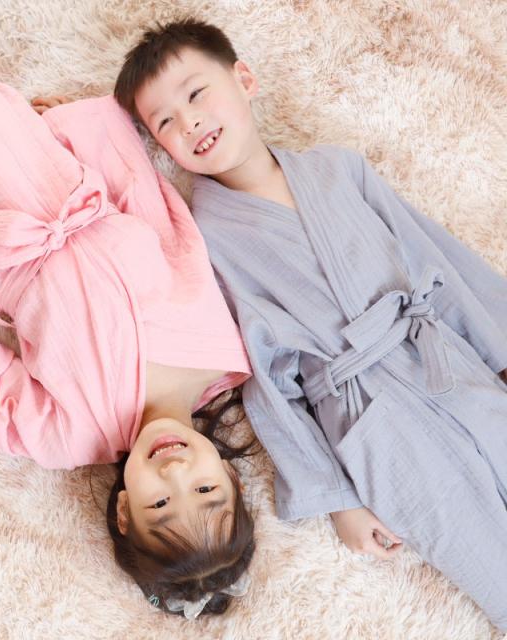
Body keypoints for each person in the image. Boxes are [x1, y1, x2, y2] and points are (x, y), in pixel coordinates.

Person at [109, 18, 507, 630]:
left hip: (441, 355)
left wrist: (498, 350)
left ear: (244, 79)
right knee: (480, 551)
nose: (189, 122)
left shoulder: (340, 169)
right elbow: (265, 382)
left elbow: (435, 255)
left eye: (197, 93)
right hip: (366, 415)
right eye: (165, 122)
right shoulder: (205, 238)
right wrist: (337, 498)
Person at [0, 26, 257, 619]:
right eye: (205, 490)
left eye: (159, 506)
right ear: (230, 477)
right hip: (48, 173)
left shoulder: (70, 436)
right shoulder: (221, 352)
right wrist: (86, 133)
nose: (176, 472)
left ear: (124, 510)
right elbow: (153, 210)